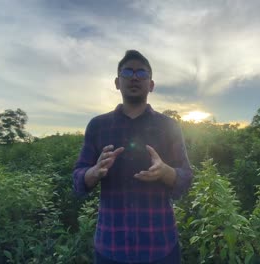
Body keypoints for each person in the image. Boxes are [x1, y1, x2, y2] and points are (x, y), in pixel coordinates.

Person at [73, 50, 193, 264]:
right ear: (117, 82)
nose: (135, 77)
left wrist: (166, 172)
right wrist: (94, 171)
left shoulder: (169, 126)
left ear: (151, 84)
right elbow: (78, 180)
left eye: (142, 73)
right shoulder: (98, 126)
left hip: (161, 246)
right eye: (127, 72)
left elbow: (186, 177)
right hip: (111, 246)